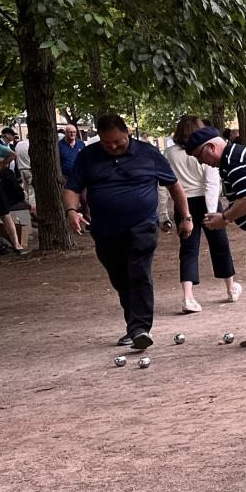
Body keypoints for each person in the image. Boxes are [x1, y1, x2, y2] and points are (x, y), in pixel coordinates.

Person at [64, 114, 192, 349]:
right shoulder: (88, 156)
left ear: (128, 133)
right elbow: (72, 188)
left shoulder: (148, 154)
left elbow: (174, 186)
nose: (112, 146)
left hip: (142, 225)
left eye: (117, 141)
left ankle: (140, 328)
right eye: (106, 143)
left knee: (139, 272)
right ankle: (134, 326)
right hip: (105, 230)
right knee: (120, 277)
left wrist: (185, 217)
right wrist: (72, 210)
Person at [185, 125, 246, 348]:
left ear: (211, 147)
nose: (202, 162)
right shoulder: (234, 156)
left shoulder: (234, 160)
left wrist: (225, 217)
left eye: (200, 156)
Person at [168, 115, 241, 311]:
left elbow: (164, 184)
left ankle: (188, 296)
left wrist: (162, 214)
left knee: (188, 249)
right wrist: (211, 212)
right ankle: (230, 287)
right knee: (220, 245)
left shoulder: (169, 153)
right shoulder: (204, 150)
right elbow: (211, 183)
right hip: (207, 200)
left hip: (183, 204)